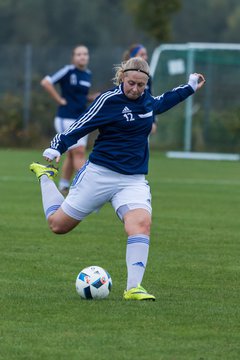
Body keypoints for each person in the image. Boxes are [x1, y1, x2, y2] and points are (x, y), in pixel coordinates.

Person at [30, 57, 205, 301]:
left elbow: (162, 103)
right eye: (131, 83)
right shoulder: (108, 100)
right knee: (58, 226)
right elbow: (82, 124)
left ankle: (133, 288)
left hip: (133, 179)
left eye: (141, 85)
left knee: (141, 224)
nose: (135, 89)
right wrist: (57, 147)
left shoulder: (146, 101)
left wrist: (189, 87)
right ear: (122, 78)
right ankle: (45, 178)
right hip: (99, 174)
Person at [40, 44, 99, 194]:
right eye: (79, 54)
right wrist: (59, 100)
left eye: (85, 54)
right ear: (73, 57)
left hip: (80, 119)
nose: (82, 56)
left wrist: (91, 98)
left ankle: (64, 186)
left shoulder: (87, 74)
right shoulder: (68, 71)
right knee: (78, 152)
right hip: (65, 118)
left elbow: (79, 97)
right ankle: (88, 187)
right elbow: (46, 82)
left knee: (72, 154)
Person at [123, 43, 157, 134]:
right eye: (142, 54)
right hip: (129, 121)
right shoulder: (125, 75)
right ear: (133, 57)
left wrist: (153, 121)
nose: (145, 57)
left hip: (144, 120)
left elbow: (150, 100)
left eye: (146, 54)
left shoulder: (148, 77)